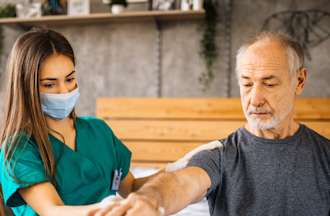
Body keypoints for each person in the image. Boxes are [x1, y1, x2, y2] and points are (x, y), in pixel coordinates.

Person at [95, 32, 330, 216]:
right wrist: (151, 201)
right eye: (247, 84)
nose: (255, 99)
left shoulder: (325, 155)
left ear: (299, 81)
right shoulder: (220, 154)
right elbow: (181, 182)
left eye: (269, 84)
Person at [0, 28, 157, 216]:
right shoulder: (19, 149)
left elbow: (130, 187)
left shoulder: (99, 131)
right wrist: (110, 210)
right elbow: (53, 211)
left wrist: (175, 175)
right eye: (49, 84)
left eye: (70, 79)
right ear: (26, 88)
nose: (64, 91)